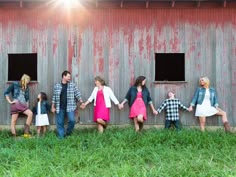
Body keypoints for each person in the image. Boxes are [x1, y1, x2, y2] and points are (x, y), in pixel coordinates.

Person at [51, 70, 83, 138]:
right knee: (60, 123)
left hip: (70, 106)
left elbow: (77, 94)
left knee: (72, 121)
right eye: (68, 76)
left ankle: (68, 133)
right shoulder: (57, 86)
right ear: (64, 76)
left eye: (70, 77)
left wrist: (81, 102)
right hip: (60, 107)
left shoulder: (72, 85)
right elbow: (54, 97)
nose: (69, 78)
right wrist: (53, 106)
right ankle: (61, 137)